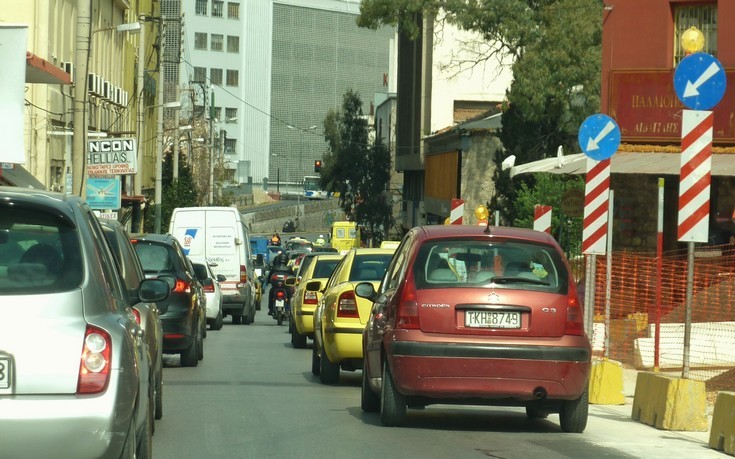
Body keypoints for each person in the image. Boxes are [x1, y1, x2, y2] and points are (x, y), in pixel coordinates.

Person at [266, 251, 291, 315]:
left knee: (271, 293)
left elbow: (269, 277)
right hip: (286, 287)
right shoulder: (289, 269)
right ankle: (288, 309)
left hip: (275, 287)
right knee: (290, 295)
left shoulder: (274, 268)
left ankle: (270, 309)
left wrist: (268, 282)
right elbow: (292, 277)